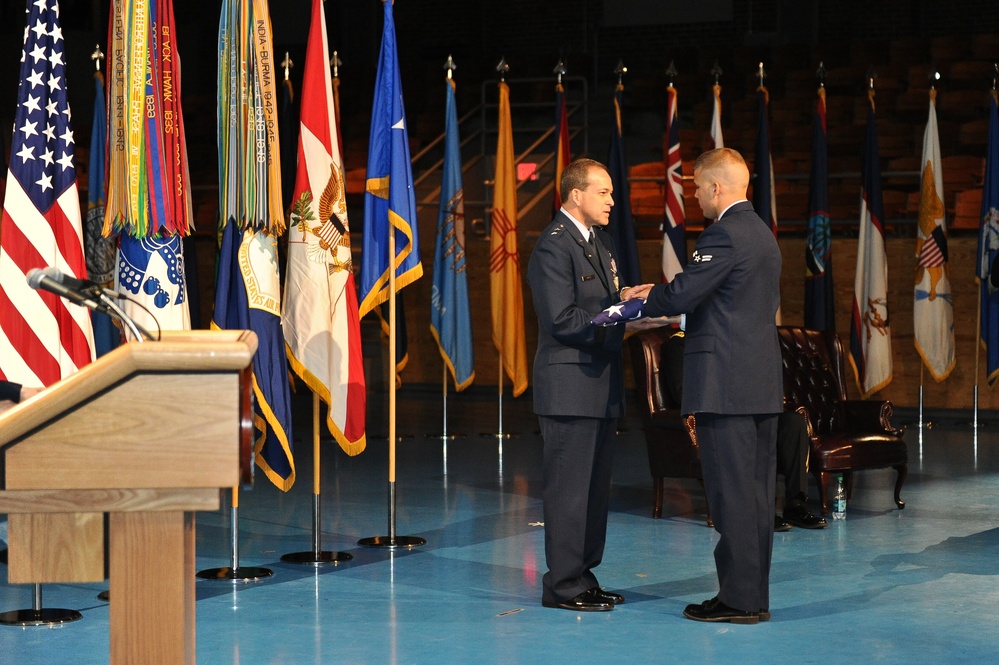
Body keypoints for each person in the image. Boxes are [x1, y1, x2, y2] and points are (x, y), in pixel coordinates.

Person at [630, 148, 783, 624]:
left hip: (725, 386)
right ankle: (751, 597)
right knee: (755, 498)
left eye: (697, 187)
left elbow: (685, 292)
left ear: (717, 187)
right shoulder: (763, 234)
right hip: (757, 386)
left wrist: (643, 297)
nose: (694, 195)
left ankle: (737, 601)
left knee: (730, 496)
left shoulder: (724, 234)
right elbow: (725, 305)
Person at [526, 158, 642, 612]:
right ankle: (562, 585)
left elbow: (599, 303)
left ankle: (583, 576)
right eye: (604, 192)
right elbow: (561, 319)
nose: (613, 200)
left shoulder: (600, 241)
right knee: (569, 491)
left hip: (599, 384)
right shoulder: (554, 247)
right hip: (570, 386)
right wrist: (620, 319)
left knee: (594, 493)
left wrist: (625, 301)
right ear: (576, 195)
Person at [661, 332, 826, 532]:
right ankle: (761, 510)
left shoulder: (730, 340)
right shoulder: (680, 344)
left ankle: (796, 504)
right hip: (719, 414)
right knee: (749, 427)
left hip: (749, 408)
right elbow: (681, 392)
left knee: (792, 423)